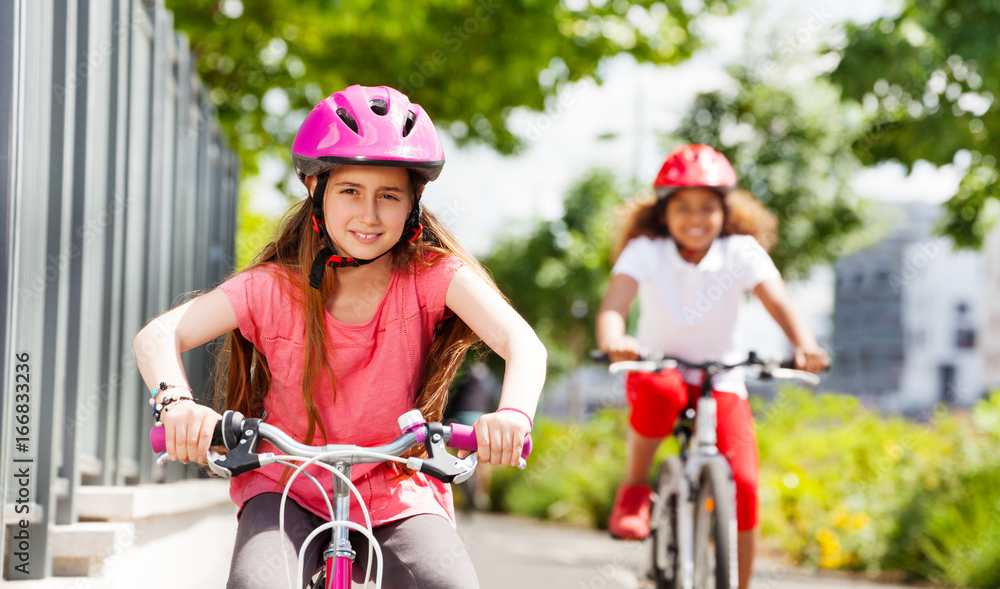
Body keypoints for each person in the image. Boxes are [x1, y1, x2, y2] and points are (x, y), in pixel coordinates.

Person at [134, 85, 547, 589]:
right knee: (257, 582)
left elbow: (522, 343)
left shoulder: (432, 276)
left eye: (389, 195)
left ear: (413, 202)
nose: (369, 215)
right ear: (315, 188)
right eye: (350, 190)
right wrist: (176, 404)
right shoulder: (270, 288)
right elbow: (159, 337)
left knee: (446, 582)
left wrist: (512, 415)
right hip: (287, 483)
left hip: (398, 486)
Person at [595, 143, 828, 589]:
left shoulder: (742, 251)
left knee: (743, 482)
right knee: (662, 392)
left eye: (708, 207)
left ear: (726, 211)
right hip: (657, 368)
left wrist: (806, 345)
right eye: (683, 207)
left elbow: (779, 302)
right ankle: (635, 486)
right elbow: (614, 306)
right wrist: (615, 340)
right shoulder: (646, 250)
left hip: (722, 375)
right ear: (664, 214)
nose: (696, 218)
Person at [445, 362, 500, 510]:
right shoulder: (487, 388)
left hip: (462, 422)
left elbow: (452, 405)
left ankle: (462, 489)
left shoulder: (463, 387)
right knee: (484, 461)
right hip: (480, 421)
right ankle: (482, 495)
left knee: (459, 457)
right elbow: (493, 407)